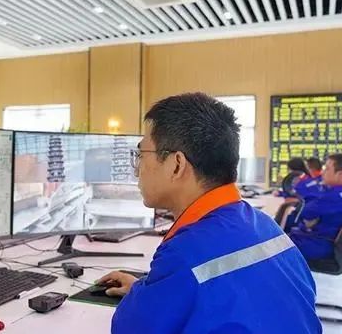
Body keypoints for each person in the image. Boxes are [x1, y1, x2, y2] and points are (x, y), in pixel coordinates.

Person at [97, 93, 320, 333]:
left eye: (141, 155)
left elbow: (130, 328)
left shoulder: (186, 252)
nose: (136, 169)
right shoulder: (266, 226)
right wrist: (148, 290)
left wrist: (140, 298)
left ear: (176, 164)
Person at [288, 154, 342, 261]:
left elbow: (305, 212)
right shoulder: (332, 193)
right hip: (321, 240)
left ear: (340, 175)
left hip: (319, 243)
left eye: (327, 169)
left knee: (271, 246)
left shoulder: (334, 196)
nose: (323, 172)